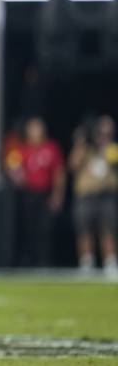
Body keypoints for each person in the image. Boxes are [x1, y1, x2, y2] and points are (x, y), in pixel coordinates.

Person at [6, 117, 65, 267]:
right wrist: (16, 176)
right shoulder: (22, 149)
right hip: (28, 194)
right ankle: (29, 260)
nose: (36, 132)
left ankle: (44, 261)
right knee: (28, 227)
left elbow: (59, 173)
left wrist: (57, 194)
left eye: (38, 128)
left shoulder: (51, 148)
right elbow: (12, 166)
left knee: (45, 228)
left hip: (45, 193)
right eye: (32, 128)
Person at [68, 116, 118, 278]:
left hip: (106, 195)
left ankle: (110, 262)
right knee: (84, 229)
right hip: (86, 195)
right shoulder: (84, 149)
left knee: (108, 229)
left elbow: (114, 160)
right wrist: (80, 143)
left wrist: (105, 147)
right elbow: (73, 165)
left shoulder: (112, 148)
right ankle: (86, 262)